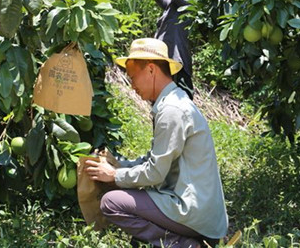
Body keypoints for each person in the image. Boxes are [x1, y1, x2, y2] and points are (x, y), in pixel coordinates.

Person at [86, 38, 228, 248]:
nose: (132, 86)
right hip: (199, 211)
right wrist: (119, 164)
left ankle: (184, 245)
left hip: (192, 212)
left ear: (151, 70)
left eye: (133, 78)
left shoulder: (171, 110)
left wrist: (114, 175)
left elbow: (155, 173)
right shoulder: (172, 103)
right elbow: (156, 159)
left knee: (111, 202)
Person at [145, 0, 204, 100]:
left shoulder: (189, 2)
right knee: (159, 104)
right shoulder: (174, 6)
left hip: (178, 66)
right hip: (166, 63)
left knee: (180, 106)